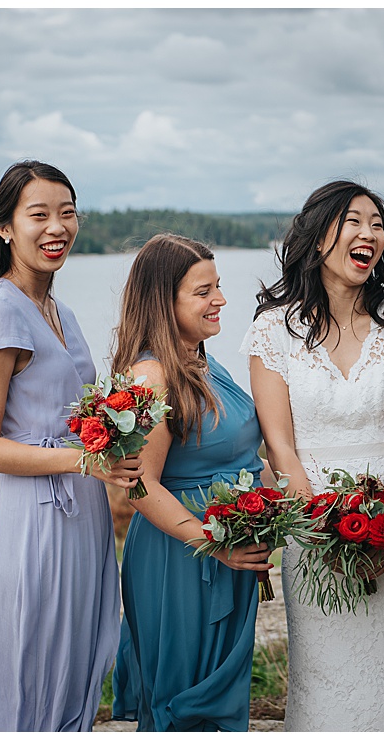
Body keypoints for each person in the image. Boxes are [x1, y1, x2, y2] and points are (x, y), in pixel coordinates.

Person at [243, 180, 384, 731]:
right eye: (353, 221)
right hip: (313, 524)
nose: (369, 234)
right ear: (317, 234)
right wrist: (323, 530)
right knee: (327, 675)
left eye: (377, 224)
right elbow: (280, 444)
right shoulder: (272, 332)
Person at [0, 161, 137, 731]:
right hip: (36, 518)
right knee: (30, 664)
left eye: (67, 212)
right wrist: (86, 460)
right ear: (6, 228)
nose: (56, 226)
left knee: (77, 657)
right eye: (39, 214)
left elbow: (78, 418)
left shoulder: (62, 312)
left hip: (84, 516)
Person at [107, 234, 271, 731]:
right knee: (185, 704)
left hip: (227, 551)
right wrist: (212, 544)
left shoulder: (200, 358)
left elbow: (242, 455)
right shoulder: (152, 375)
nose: (219, 300)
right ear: (165, 300)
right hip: (181, 558)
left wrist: (309, 504)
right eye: (204, 291)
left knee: (218, 703)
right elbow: (140, 487)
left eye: (217, 286)